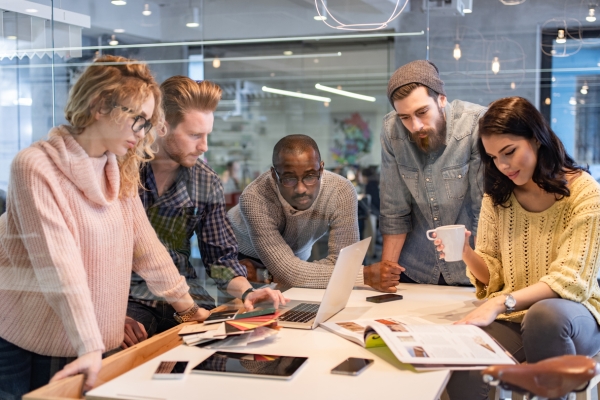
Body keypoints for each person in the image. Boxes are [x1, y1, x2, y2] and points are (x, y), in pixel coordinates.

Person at [0, 56, 211, 398]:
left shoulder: (116, 168)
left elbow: (148, 250)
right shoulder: (35, 167)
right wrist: (90, 346)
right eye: (137, 120)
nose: (142, 134)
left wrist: (189, 311)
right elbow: (60, 267)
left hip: (80, 338)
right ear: (100, 106)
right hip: (21, 330)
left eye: (148, 123)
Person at [435, 97, 600, 400]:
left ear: (536, 139)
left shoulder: (584, 191)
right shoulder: (498, 198)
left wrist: (500, 304)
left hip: (575, 317)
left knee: (544, 316)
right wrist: (466, 252)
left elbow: (571, 281)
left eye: (509, 151)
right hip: (518, 315)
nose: (503, 165)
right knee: (465, 353)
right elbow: (493, 275)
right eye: (494, 157)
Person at [124, 76, 286, 348]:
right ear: (162, 127)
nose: (204, 146)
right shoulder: (123, 173)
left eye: (207, 135)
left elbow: (219, 260)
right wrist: (108, 316)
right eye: (195, 135)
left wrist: (247, 291)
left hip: (188, 298)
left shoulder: (205, 180)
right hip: (131, 299)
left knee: (229, 350)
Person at [227, 134, 400, 292]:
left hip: (296, 263)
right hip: (238, 263)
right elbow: (290, 274)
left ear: (321, 169)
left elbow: (343, 264)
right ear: (273, 174)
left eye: (310, 176)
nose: (301, 189)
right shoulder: (254, 198)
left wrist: (290, 274)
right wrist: (366, 276)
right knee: (240, 316)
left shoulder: (341, 190)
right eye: (289, 179)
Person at [370, 59, 486, 288]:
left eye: (422, 112)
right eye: (404, 117)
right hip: (414, 269)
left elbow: (483, 211)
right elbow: (394, 211)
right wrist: (387, 278)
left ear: (442, 99)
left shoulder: (475, 124)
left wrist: (489, 277)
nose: (415, 126)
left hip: (469, 272)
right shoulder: (392, 131)